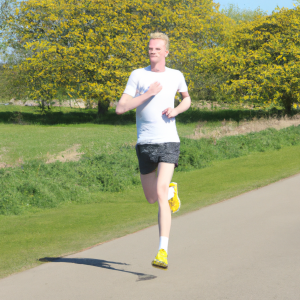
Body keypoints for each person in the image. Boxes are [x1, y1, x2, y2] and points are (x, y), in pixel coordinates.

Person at [116, 32, 191, 269]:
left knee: (158, 191)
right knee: (152, 198)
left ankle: (162, 251)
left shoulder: (176, 75)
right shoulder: (138, 75)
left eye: (157, 49)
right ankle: (170, 192)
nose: (152, 51)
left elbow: (187, 99)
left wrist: (177, 111)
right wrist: (148, 93)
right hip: (144, 143)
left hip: (169, 140)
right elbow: (120, 108)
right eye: (150, 48)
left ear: (166, 52)